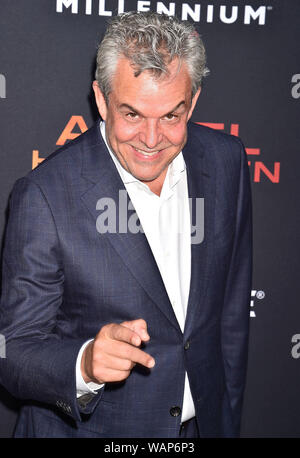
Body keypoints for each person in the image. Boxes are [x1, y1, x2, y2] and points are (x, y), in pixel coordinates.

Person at [0, 12, 252, 438]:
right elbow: (13, 351)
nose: (152, 141)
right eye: (132, 114)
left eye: (172, 116)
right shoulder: (45, 195)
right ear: (101, 100)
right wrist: (84, 363)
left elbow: (229, 318)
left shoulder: (226, 161)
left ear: (192, 101)